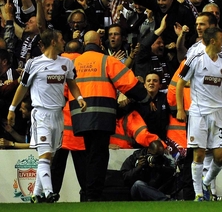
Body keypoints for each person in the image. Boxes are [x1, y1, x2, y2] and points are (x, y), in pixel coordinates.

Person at [6, 29, 87, 203]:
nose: (64, 42)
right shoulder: (33, 63)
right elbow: (22, 87)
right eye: (61, 39)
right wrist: (12, 108)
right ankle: (49, 193)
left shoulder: (66, 63)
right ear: (53, 42)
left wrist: (79, 98)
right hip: (41, 113)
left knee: (49, 157)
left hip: (58, 115)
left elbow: (72, 83)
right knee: (45, 153)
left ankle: (36, 195)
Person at [72, 31, 149, 202]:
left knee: (87, 155)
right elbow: (128, 83)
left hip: (78, 117)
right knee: (98, 155)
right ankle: (93, 195)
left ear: (84, 43)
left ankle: (87, 194)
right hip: (102, 116)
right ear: (100, 43)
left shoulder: (74, 62)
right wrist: (145, 98)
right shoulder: (106, 60)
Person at [175, 27, 222, 201]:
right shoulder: (195, 59)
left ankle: (206, 181)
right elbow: (180, 83)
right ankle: (199, 194)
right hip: (198, 112)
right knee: (199, 154)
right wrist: (180, 108)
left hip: (218, 113)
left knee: (220, 157)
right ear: (213, 41)